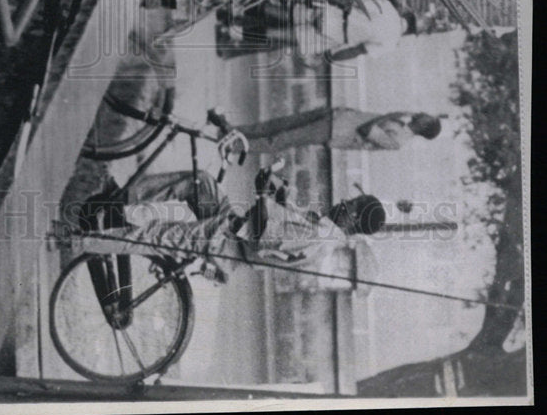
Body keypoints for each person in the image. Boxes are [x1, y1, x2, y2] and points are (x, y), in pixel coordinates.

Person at [70, 166, 387, 285]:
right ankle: (118, 204)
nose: (344, 201)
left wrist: (264, 192)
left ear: (355, 221)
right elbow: (277, 217)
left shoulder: (320, 237)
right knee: (200, 181)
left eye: (352, 205)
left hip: (225, 245)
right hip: (232, 226)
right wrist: (281, 192)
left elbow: (264, 235)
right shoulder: (322, 226)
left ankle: (75, 242)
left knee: (155, 235)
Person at [232, 108, 443, 155]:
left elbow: (366, 128)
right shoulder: (402, 125)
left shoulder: (398, 141)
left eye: (428, 117)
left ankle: (234, 146)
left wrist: (392, 113)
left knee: (280, 139)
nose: (423, 113)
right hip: (337, 116)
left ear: (425, 126)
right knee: (279, 124)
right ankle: (231, 131)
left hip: (335, 130)